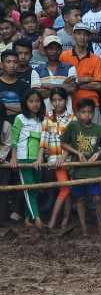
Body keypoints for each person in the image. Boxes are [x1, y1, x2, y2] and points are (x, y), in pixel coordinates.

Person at [61, 98, 101, 236]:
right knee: (79, 199)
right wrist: (77, 152)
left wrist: (98, 153)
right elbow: (63, 143)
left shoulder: (100, 129)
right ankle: (84, 228)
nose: (87, 115)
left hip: (94, 170)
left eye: (90, 112)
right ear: (77, 113)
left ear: (94, 113)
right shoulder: (73, 126)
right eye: (83, 112)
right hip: (78, 170)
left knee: (97, 198)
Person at [9, 89, 45, 228]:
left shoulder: (40, 121)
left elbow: (42, 142)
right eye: (31, 101)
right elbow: (14, 139)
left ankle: (27, 219)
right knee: (29, 189)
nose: (35, 104)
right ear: (25, 103)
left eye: (37, 101)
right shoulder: (20, 118)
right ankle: (37, 219)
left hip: (36, 160)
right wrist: (13, 158)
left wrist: (39, 158)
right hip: (23, 159)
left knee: (34, 190)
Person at [40, 87, 73, 229]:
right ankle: (57, 221)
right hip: (53, 159)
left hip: (69, 159)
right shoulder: (48, 117)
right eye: (54, 100)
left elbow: (73, 140)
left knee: (67, 188)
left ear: (66, 100)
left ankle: (62, 220)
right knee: (65, 188)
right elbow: (44, 139)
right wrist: (40, 157)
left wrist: (65, 156)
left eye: (60, 99)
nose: (57, 103)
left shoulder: (72, 118)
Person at [59, 22, 101, 124]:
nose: (82, 37)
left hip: (91, 104)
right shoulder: (64, 56)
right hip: (69, 104)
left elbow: (97, 85)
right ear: (74, 35)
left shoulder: (96, 59)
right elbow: (63, 83)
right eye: (79, 34)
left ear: (88, 37)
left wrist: (75, 83)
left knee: (94, 138)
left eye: (85, 34)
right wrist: (84, 79)